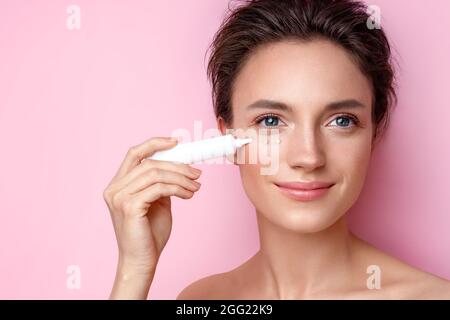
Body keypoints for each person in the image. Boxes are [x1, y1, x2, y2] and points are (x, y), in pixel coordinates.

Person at [103, 0, 450, 299]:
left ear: (373, 133)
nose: (308, 157)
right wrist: (133, 271)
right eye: (271, 121)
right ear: (227, 138)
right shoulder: (202, 299)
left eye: (341, 121)